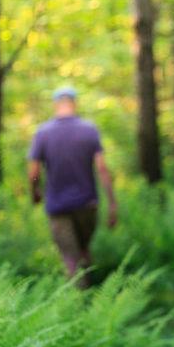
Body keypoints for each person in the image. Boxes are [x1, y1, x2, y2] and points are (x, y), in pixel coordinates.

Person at [28, 86, 118, 284]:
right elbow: (102, 169)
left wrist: (35, 191)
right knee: (84, 251)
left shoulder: (42, 133)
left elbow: (34, 172)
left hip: (58, 207)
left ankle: (80, 304)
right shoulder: (89, 129)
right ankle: (93, 296)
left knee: (70, 259)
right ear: (74, 103)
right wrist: (112, 203)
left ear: (56, 105)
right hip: (87, 205)